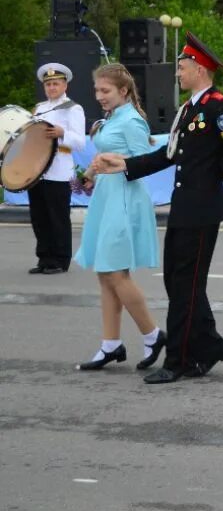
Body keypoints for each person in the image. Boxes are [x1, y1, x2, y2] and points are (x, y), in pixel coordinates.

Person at [92, 33, 223, 384]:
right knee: (179, 283)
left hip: (202, 209)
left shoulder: (216, 106)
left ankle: (179, 360)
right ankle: (209, 346)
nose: (177, 74)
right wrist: (127, 167)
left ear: (200, 69)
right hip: (186, 208)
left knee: (186, 286)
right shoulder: (189, 109)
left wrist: (212, 180)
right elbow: (170, 154)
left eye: (182, 68)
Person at [73, 64, 164, 371]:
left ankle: (153, 335)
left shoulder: (132, 121)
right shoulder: (113, 117)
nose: (99, 96)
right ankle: (110, 344)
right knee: (105, 272)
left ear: (123, 91)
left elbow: (146, 161)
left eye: (105, 91)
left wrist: (113, 160)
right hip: (106, 195)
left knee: (115, 273)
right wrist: (88, 174)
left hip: (125, 198)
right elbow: (105, 158)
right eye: (97, 90)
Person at [27, 62, 86, 275]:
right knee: (39, 217)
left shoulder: (72, 109)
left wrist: (62, 133)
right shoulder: (39, 109)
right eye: (48, 84)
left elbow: (80, 142)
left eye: (56, 83)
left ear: (64, 86)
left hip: (59, 170)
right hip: (36, 171)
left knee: (57, 217)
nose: (51, 88)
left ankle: (60, 260)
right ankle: (44, 258)